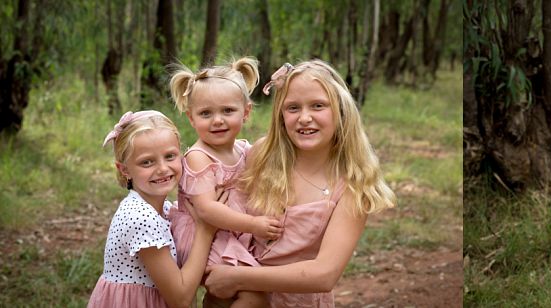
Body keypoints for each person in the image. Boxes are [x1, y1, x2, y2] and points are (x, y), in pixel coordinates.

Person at [202, 59, 396, 307]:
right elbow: (221, 210)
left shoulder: (353, 186)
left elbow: (324, 274)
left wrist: (239, 278)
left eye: (318, 106)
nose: (305, 118)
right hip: (236, 299)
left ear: (341, 110)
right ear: (281, 115)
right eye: (293, 108)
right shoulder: (261, 156)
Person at [167, 57, 279, 307]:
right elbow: (207, 209)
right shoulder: (199, 157)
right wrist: (254, 225)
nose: (217, 120)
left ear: (246, 112)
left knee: (224, 297)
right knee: (255, 296)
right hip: (203, 237)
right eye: (206, 113)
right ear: (191, 118)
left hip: (230, 234)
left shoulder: (241, 149)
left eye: (228, 111)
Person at [89, 111, 216, 308]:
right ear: (124, 170)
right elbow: (180, 299)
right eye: (147, 162)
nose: (163, 168)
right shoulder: (141, 218)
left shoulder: (163, 208)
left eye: (170, 156)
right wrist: (206, 230)